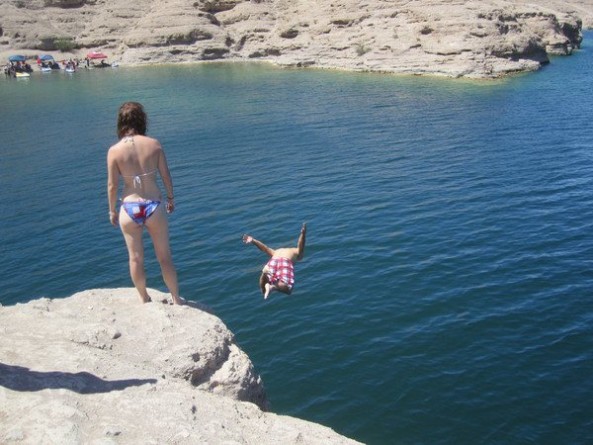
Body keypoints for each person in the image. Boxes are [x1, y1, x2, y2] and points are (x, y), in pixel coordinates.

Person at [107, 101, 183, 305]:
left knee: (135, 258)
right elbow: (166, 176)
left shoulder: (114, 151)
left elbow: (112, 185)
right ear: (142, 120)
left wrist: (112, 210)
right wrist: (170, 197)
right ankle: (176, 299)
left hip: (129, 208)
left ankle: (144, 298)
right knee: (164, 257)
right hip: (154, 206)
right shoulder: (154, 145)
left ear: (120, 122)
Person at [243, 223, 307, 299]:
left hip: (274, 260)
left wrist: (253, 241)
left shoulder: (276, 252)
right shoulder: (297, 252)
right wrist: (303, 234)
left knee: (263, 290)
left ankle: (264, 275)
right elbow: (301, 245)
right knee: (288, 289)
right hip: (285, 261)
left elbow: (265, 248)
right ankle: (272, 287)